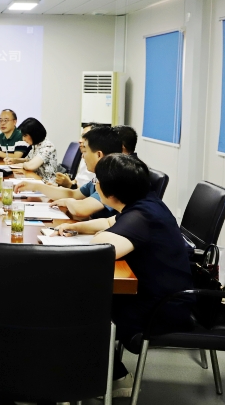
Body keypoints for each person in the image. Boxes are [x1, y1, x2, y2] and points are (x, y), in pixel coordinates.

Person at [57, 154, 194, 397]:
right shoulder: (144, 202)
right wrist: (75, 227)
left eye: (97, 181)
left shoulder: (143, 217)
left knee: (76, 306)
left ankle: (114, 378)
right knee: (79, 299)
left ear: (111, 192)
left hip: (162, 308)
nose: (95, 185)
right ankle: (96, 373)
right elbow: (110, 222)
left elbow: (100, 250)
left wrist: (91, 235)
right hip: (157, 294)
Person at [13, 125, 122, 218]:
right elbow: (73, 193)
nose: (83, 156)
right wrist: (36, 186)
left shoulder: (111, 180)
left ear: (99, 155)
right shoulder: (98, 178)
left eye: (85, 152)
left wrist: (66, 201)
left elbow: (81, 209)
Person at [3, 117, 58, 183]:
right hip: (36, 179)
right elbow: (28, 160)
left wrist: (19, 165)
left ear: (34, 134)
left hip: (47, 184)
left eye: (25, 135)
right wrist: (15, 160)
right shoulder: (36, 145)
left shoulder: (48, 147)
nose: (23, 139)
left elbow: (30, 165)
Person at [53, 122, 104, 189]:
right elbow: (77, 180)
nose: (80, 141)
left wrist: (70, 185)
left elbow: (88, 192)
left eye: (85, 137)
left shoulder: (99, 163)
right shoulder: (84, 154)